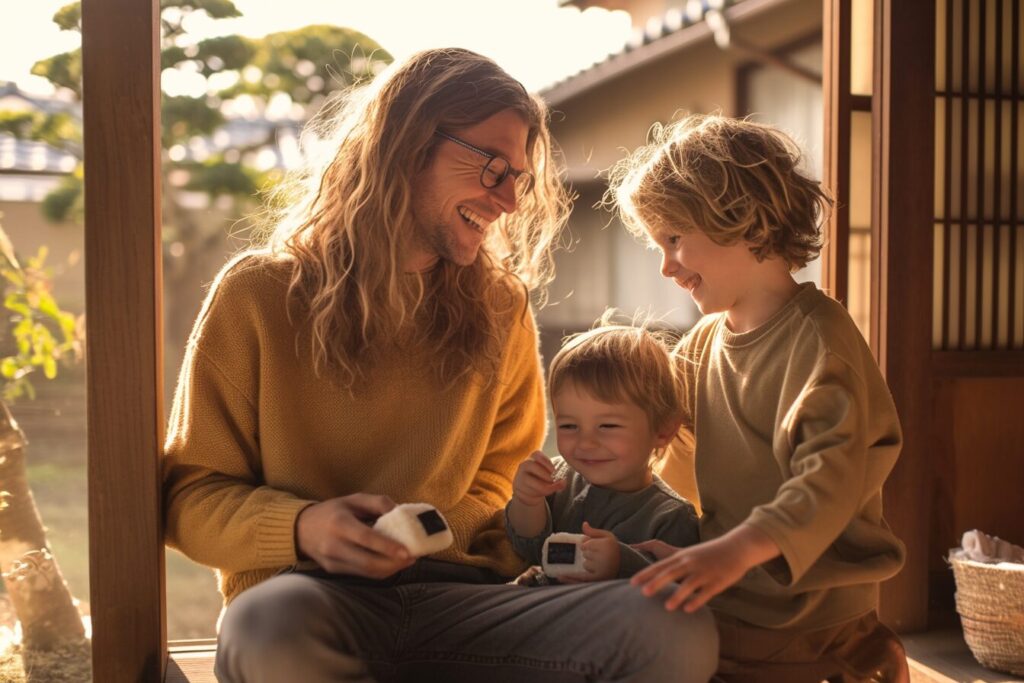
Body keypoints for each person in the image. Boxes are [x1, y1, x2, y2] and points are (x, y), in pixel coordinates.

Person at [162, 48, 718, 683]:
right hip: (310, 597)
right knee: (265, 629)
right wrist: (305, 527)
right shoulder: (257, 296)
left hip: (472, 602)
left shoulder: (500, 306)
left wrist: (436, 531)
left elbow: (502, 485)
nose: (509, 199)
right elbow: (190, 498)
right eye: (492, 167)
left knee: (669, 625)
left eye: (518, 176)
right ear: (406, 145)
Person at [606, 114, 910, 682]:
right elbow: (665, 455)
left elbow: (829, 481)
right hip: (730, 594)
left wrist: (736, 550)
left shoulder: (821, 341)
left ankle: (860, 656)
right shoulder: (701, 345)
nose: (666, 267)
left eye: (673, 239)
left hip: (806, 610)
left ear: (739, 219)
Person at [506, 320, 700, 582]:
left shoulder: (671, 516)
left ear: (662, 431)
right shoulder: (557, 480)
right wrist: (527, 501)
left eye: (607, 425)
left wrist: (621, 563)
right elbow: (529, 549)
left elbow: (679, 589)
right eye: (569, 425)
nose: (586, 443)